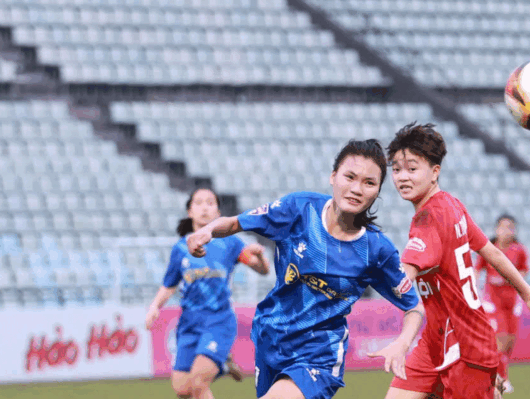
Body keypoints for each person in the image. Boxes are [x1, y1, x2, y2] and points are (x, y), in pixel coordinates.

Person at [186, 139, 425, 399]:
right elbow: (235, 223)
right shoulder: (299, 209)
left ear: (377, 191)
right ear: (333, 177)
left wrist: (402, 344)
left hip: (319, 354)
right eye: (350, 177)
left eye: (369, 183)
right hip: (271, 338)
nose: (357, 189)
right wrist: (208, 230)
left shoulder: (377, 249)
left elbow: (414, 306)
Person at [383, 122, 530, 399]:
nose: (402, 177)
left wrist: (369, 272)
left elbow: (406, 272)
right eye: (397, 169)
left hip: (466, 345)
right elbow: (491, 252)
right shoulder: (452, 205)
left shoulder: (429, 218)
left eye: (412, 169)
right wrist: (527, 292)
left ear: (435, 172)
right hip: (436, 340)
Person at [146, 188, 271, 399]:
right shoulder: (180, 249)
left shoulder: (230, 243)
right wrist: (154, 306)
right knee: (182, 389)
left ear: (218, 213)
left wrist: (260, 257)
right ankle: (223, 365)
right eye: (199, 203)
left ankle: (217, 362)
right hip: (189, 324)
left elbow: (262, 270)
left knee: (198, 383)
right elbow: (169, 285)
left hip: (218, 321)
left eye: (210, 203)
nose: (204, 207)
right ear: (189, 211)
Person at [474, 214, 529, 394]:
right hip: (493, 301)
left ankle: (496, 375)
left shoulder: (519, 250)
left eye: (510, 228)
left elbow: (524, 271)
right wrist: (474, 291)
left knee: (510, 342)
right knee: (501, 339)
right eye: (503, 227)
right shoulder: (489, 249)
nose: (506, 231)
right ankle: (502, 379)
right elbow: (477, 270)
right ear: (496, 229)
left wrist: (513, 278)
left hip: (512, 301)